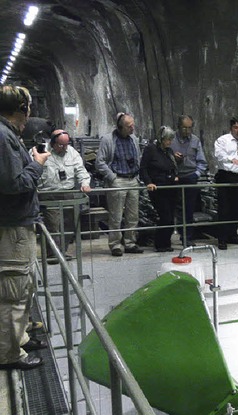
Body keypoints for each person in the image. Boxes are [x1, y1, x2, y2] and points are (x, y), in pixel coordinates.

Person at [0, 85, 50, 370]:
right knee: (11, 293)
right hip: (11, 227)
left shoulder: (9, 136)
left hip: (18, 224)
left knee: (22, 287)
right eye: (28, 106)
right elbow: (13, 184)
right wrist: (37, 165)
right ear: (22, 108)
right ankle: (8, 354)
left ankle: (19, 337)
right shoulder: (3, 136)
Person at [38, 129, 92, 262]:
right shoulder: (41, 151)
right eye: (61, 145)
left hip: (68, 193)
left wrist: (85, 183)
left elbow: (80, 170)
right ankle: (53, 254)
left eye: (66, 144)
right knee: (53, 226)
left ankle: (62, 251)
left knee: (69, 224)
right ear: (53, 142)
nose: (64, 147)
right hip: (49, 194)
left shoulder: (72, 152)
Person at [95, 112, 144, 257]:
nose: (132, 128)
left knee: (133, 215)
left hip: (133, 179)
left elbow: (138, 158)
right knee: (116, 215)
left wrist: (138, 176)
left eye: (133, 125)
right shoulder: (108, 140)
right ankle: (115, 244)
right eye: (129, 126)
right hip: (118, 180)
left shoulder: (133, 139)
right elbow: (100, 162)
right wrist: (112, 177)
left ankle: (130, 242)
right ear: (120, 127)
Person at [213, 116, 238, 250]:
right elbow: (218, 155)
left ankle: (232, 235)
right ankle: (222, 239)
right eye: (236, 127)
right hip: (225, 176)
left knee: (237, 209)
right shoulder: (222, 140)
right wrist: (231, 159)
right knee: (224, 209)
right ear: (231, 128)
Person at [140, 126, 179, 252]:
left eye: (171, 140)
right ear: (161, 139)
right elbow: (143, 168)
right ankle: (160, 243)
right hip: (158, 188)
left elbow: (172, 167)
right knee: (165, 216)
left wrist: (175, 176)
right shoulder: (151, 149)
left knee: (171, 217)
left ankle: (167, 243)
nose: (170, 142)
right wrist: (148, 182)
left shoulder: (169, 151)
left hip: (170, 188)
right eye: (167, 139)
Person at [171, 115, 207, 247]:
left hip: (190, 176)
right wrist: (173, 158)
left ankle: (187, 238)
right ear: (178, 127)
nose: (187, 131)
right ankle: (171, 236)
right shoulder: (171, 139)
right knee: (174, 209)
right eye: (184, 128)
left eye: (189, 128)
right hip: (175, 177)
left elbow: (202, 161)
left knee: (189, 209)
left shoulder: (195, 140)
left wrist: (196, 174)